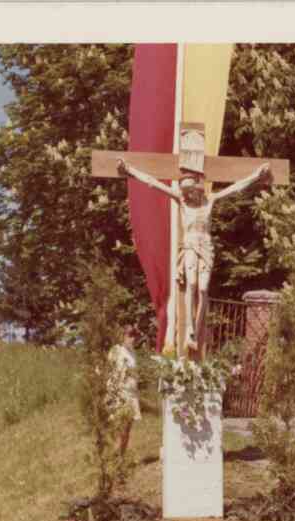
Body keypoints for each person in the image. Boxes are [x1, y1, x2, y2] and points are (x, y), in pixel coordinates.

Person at [117, 155, 272, 353]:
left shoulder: (210, 201)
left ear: (198, 189)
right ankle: (190, 330)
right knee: (191, 284)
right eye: (186, 190)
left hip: (206, 246)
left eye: (191, 190)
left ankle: (197, 329)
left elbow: (235, 188)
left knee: (203, 288)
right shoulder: (181, 201)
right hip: (190, 245)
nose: (189, 194)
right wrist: (129, 170)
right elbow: (153, 183)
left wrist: (257, 175)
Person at [108, 326, 142, 455]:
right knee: (119, 427)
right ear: (123, 336)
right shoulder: (116, 350)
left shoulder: (133, 352)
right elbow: (109, 370)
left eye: (134, 336)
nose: (132, 339)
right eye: (130, 335)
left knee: (127, 428)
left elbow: (135, 372)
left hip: (132, 394)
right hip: (120, 394)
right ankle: (114, 457)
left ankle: (122, 457)